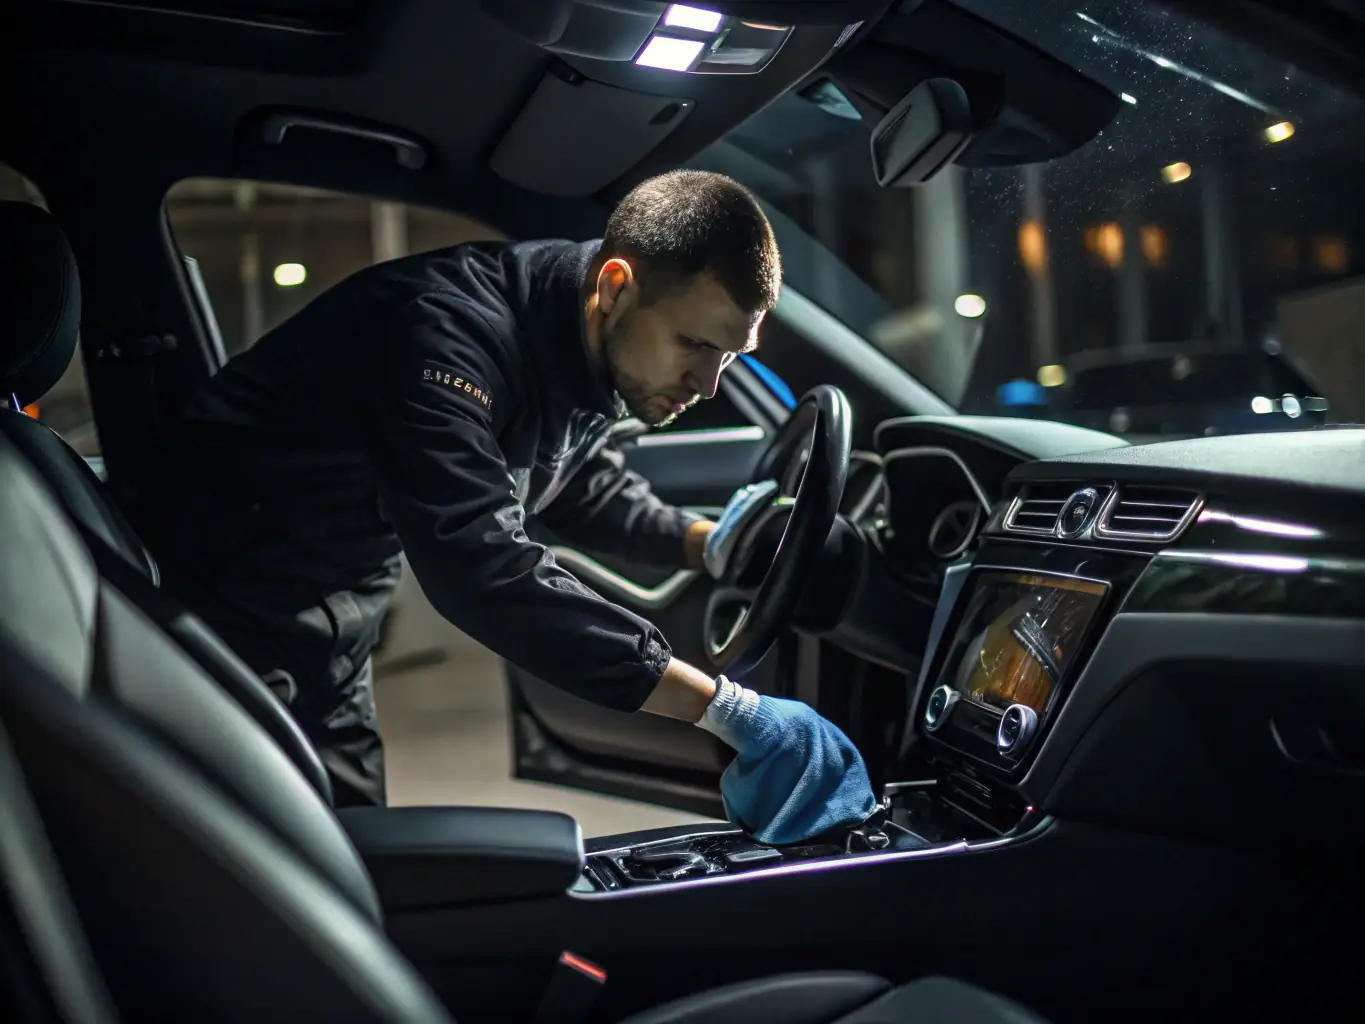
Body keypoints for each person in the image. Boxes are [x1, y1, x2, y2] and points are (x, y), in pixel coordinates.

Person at [135, 170, 876, 843]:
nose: (709, 384)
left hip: (328, 611)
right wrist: (726, 710)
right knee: (274, 873)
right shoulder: (444, 335)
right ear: (616, 285)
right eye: (695, 345)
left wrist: (710, 543)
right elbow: (480, 564)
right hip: (216, 609)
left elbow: (578, 484)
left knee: (354, 852)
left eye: (731, 357)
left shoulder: (581, 336)